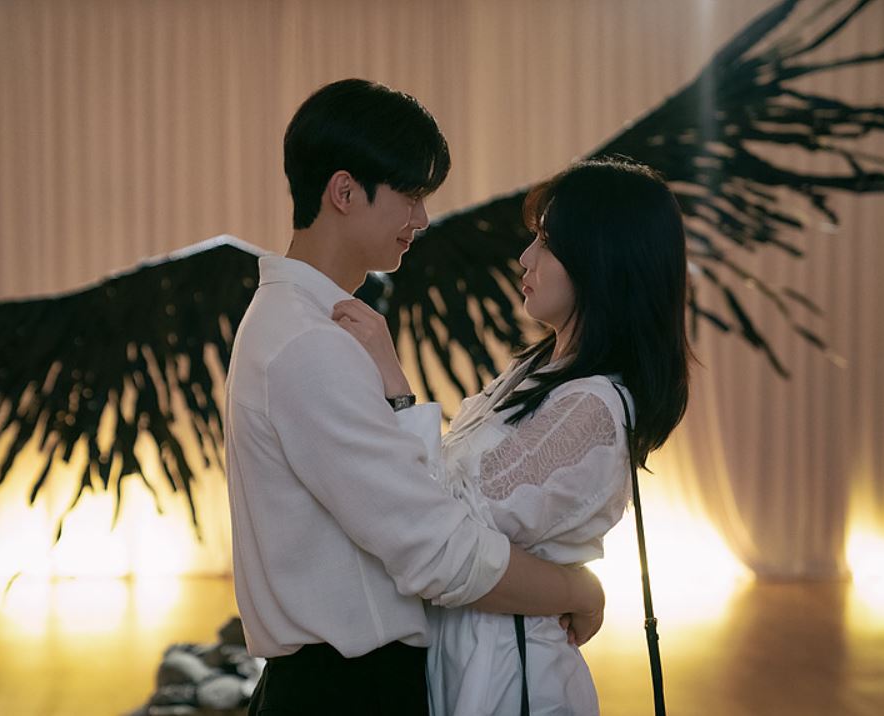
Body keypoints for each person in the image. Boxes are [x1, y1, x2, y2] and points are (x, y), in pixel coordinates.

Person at [225, 79, 608, 716]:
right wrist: (577, 589)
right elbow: (437, 551)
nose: (422, 219)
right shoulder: (307, 343)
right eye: (410, 195)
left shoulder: (305, 324)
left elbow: (410, 505)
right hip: (347, 692)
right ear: (344, 192)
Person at [334, 158, 692, 714]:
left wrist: (396, 388)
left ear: (600, 260)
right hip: (478, 658)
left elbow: (445, 531)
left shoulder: (592, 407)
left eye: (547, 243)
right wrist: (577, 588)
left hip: (511, 680)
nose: (526, 258)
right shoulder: (542, 370)